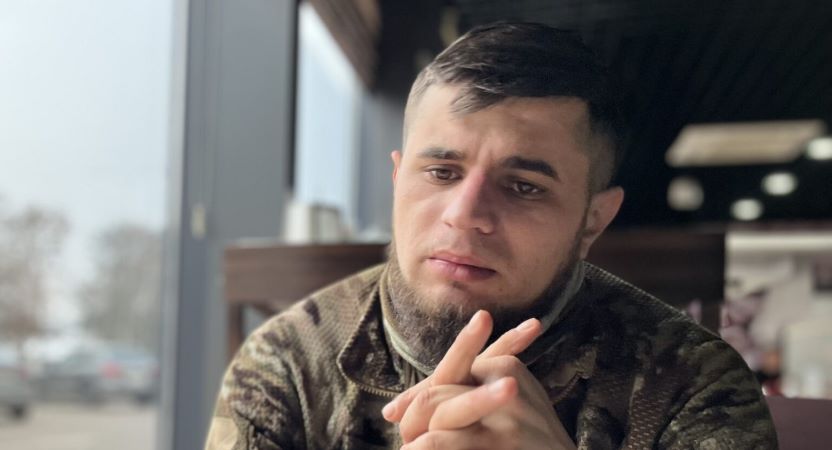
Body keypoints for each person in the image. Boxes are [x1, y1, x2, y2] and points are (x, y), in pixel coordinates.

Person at [205, 22, 777, 449]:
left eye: (524, 187)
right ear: (398, 179)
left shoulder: (693, 383)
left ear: (593, 220)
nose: (465, 215)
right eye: (441, 172)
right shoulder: (288, 363)